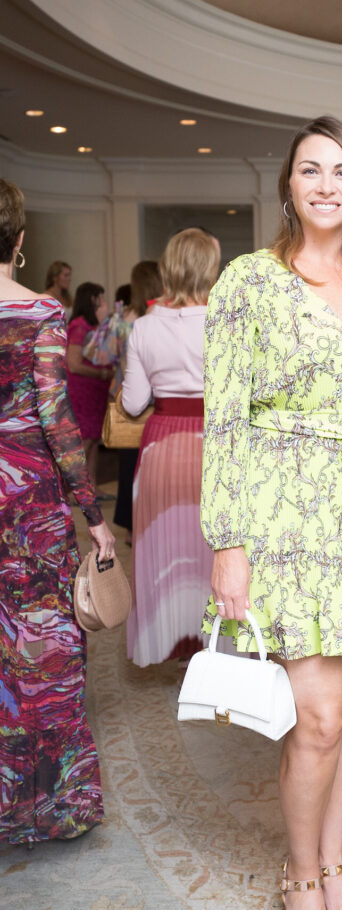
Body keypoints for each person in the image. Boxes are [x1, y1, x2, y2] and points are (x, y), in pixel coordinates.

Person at [202, 115, 342, 910]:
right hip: (286, 513)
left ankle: (333, 862)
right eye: (309, 170)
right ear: (287, 184)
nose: (326, 184)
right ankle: (299, 875)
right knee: (316, 718)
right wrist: (228, 541)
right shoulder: (249, 281)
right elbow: (224, 418)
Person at [0, 179, 115, 844]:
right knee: (42, 649)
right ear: (18, 241)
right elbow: (55, 418)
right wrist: (95, 518)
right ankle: (49, 804)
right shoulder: (42, 313)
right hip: (29, 507)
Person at [122, 231, 218, 666]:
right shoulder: (225, 321)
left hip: (161, 444)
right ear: (211, 268)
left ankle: (169, 643)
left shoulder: (143, 326)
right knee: (211, 551)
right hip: (213, 445)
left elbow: (132, 403)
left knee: (162, 546)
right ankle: (214, 647)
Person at [83, 262, 163, 543]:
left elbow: (93, 354)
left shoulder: (123, 321)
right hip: (163, 403)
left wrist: (107, 320)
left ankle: (131, 530)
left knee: (130, 468)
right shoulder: (165, 317)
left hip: (129, 402)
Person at [65, 281, 112, 496]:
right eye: (100, 298)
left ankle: (90, 487)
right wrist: (101, 374)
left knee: (93, 440)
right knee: (83, 442)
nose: (104, 302)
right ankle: (69, 490)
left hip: (95, 392)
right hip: (83, 392)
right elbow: (73, 363)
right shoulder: (79, 325)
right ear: (91, 299)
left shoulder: (93, 325)